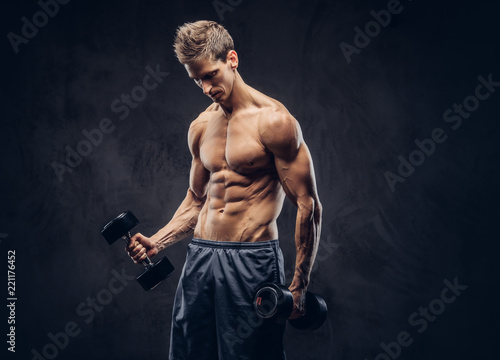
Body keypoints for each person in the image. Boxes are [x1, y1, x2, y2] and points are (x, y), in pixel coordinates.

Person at [127, 20, 322, 360]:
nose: (205, 87)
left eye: (210, 75)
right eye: (197, 80)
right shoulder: (201, 126)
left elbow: (308, 206)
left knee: (248, 354)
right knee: (188, 352)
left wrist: (299, 285)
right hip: (200, 257)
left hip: (251, 260)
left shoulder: (274, 122)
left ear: (232, 59)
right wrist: (157, 241)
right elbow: (196, 200)